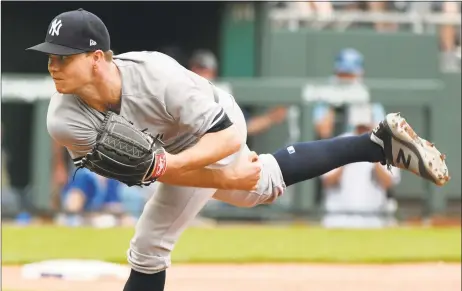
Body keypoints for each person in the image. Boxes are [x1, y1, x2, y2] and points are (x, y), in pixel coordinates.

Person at [26, 9, 449, 291]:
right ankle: (375, 143)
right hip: (166, 152)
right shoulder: (63, 119)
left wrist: (194, 167)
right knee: (257, 187)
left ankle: (373, 144)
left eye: (64, 57)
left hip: (214, 123)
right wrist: (221, 178)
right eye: (51, 56)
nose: (53, 65)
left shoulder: (157, 75)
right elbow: (147, 172)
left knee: (150, 244)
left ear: (97, 58)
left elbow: (225, 138)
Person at [321, 104, 401, 229]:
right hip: (338, 219)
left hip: (372, 220)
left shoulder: (384, 146)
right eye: (360, 127)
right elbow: (327, 181)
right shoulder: (340, 142)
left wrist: (374, 156)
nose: (363, 130)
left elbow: (388, 182)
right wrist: (346, 158)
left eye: (366, 127)